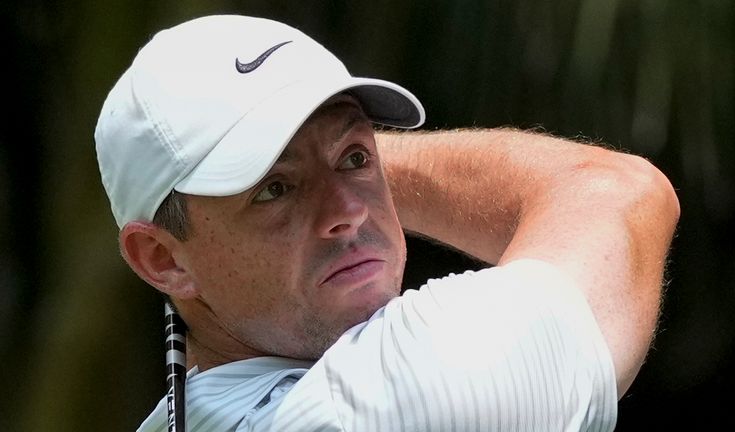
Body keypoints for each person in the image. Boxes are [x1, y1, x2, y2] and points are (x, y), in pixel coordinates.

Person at [94, 14, 679, 432]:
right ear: (162, 259)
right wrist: (335, 150)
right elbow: (621, 194)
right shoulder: (401, 398)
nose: (349, 211)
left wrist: (292, 155)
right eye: (274, 189)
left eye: (356, 157)